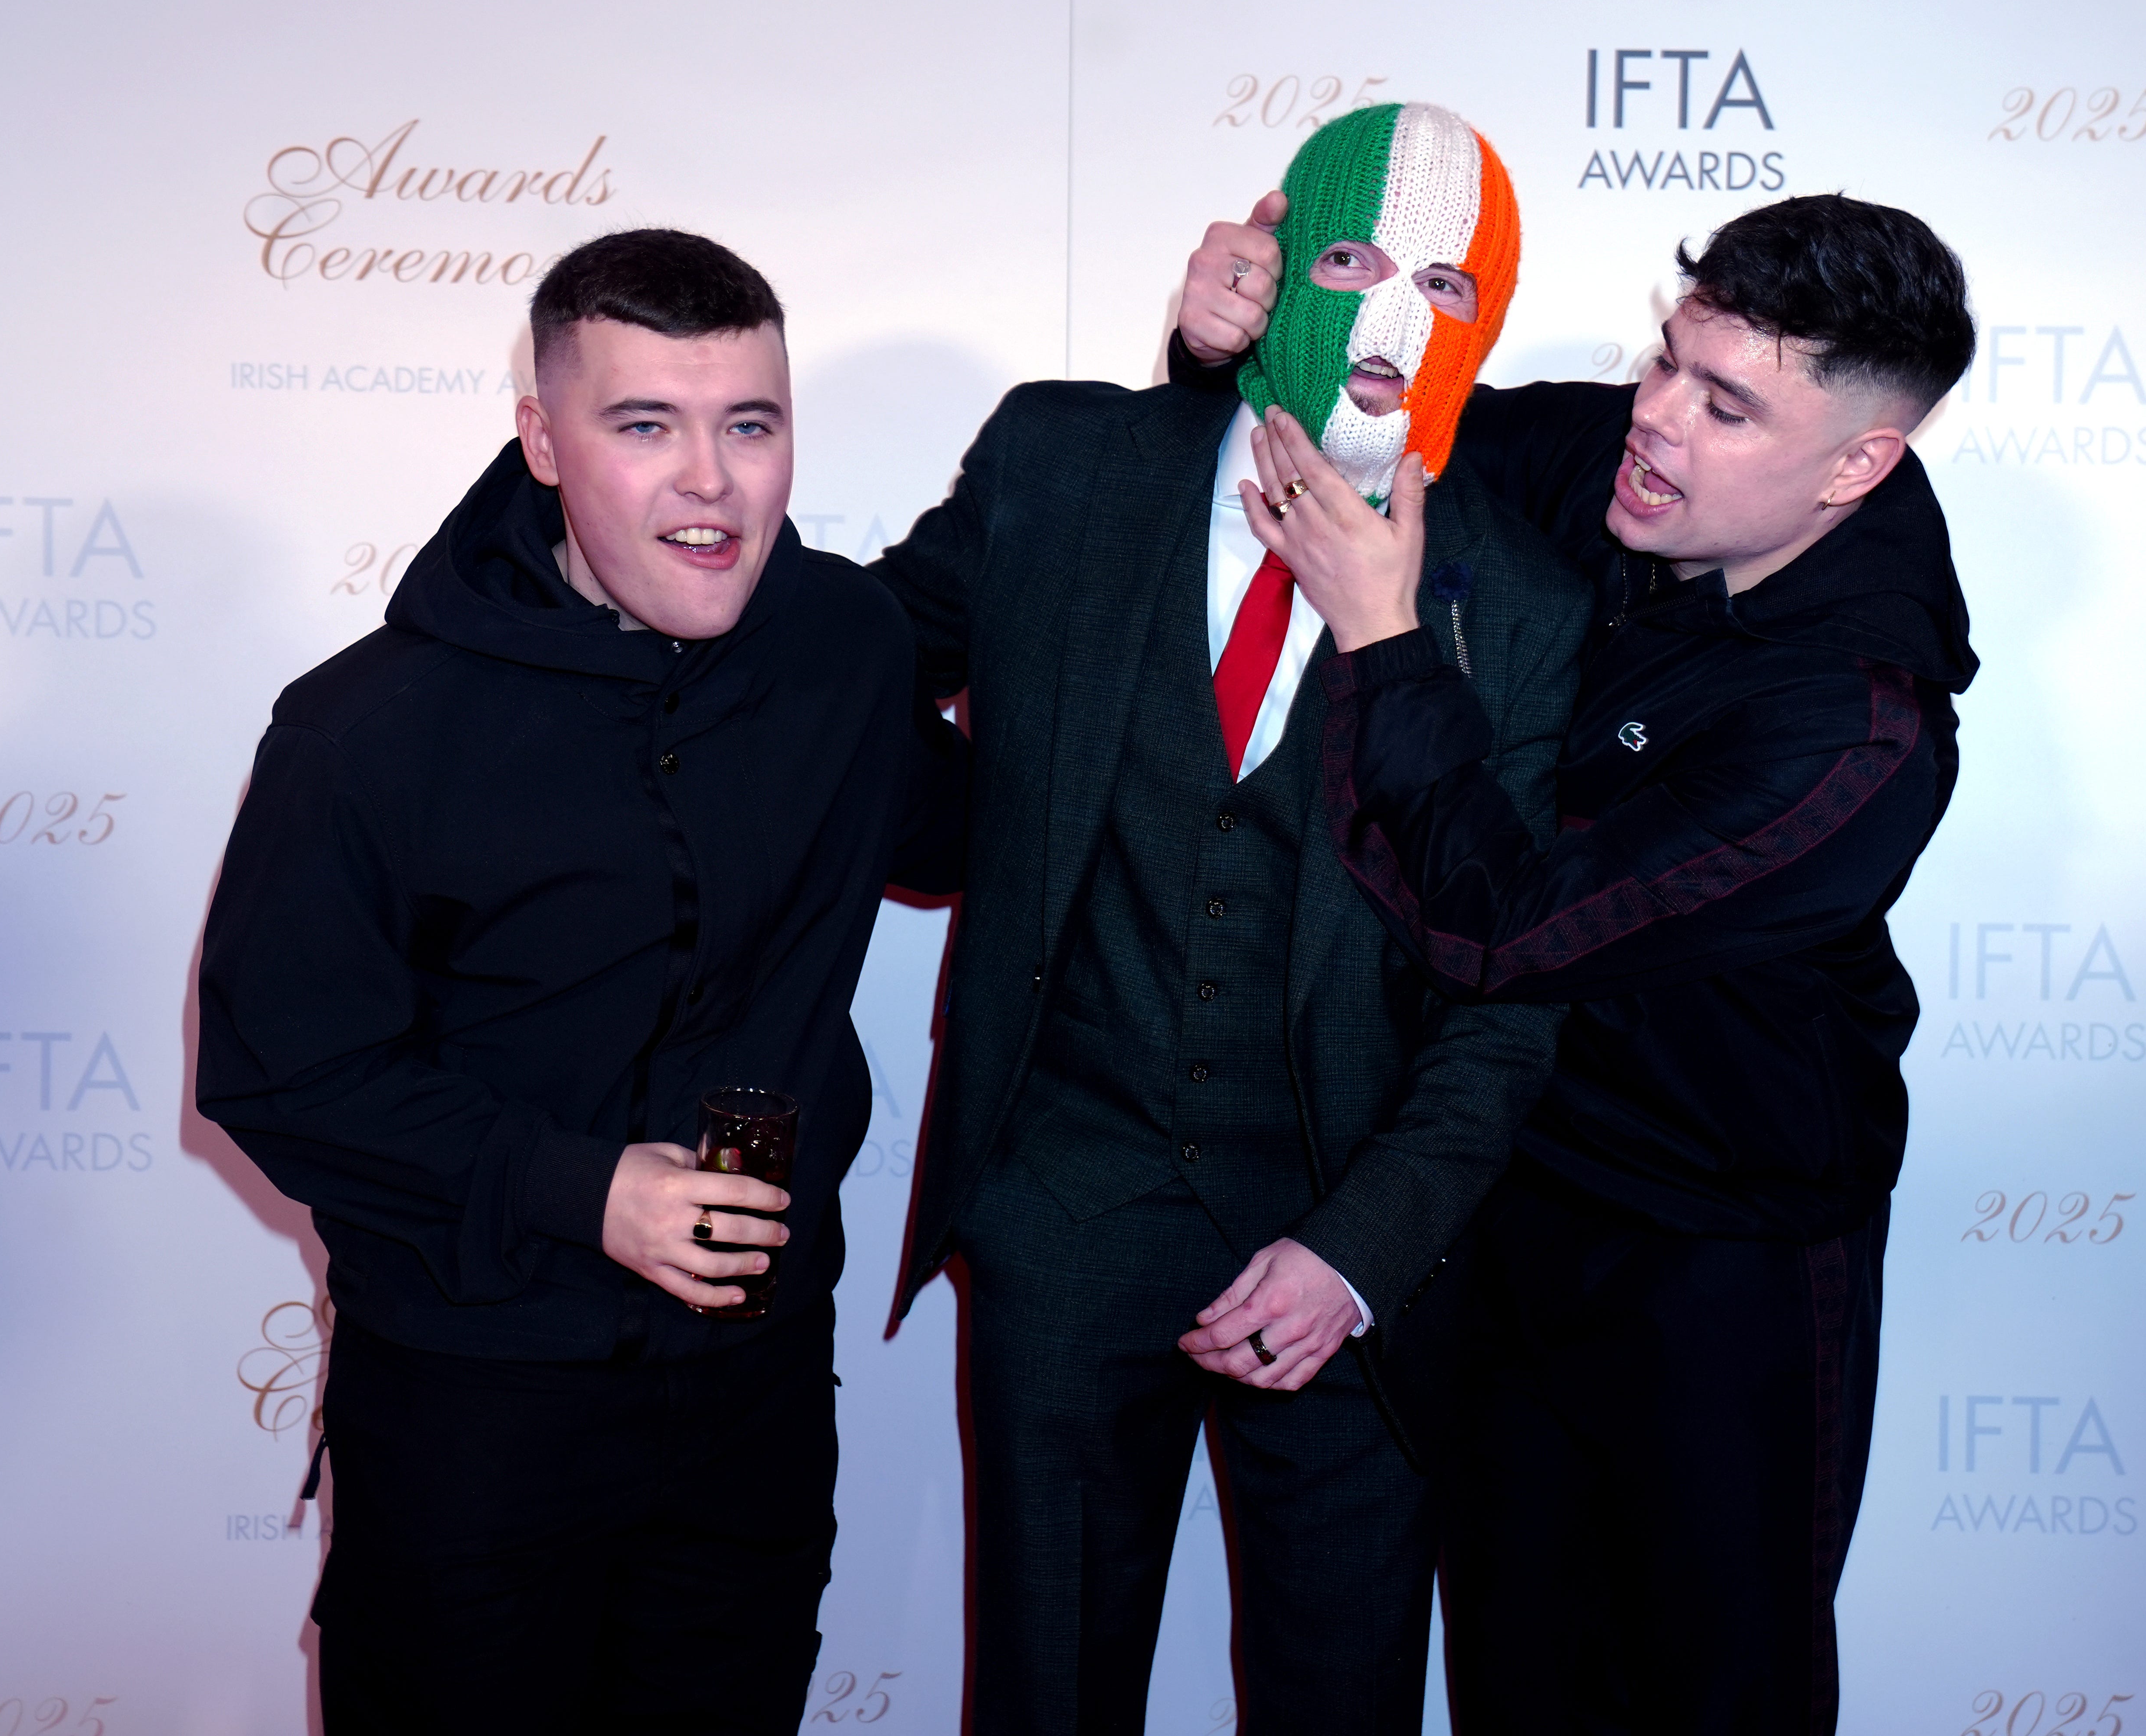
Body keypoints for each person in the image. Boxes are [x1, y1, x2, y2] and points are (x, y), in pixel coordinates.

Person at [1175, 193, 1979, 1730]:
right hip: (1511, 1206)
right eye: (1669, 362)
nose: (1655, 421)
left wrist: (1384, 643)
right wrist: (1239, 328)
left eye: (1725, 403)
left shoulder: (1856, 725)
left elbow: (1507, 928)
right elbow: (1368, 419)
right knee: (1514, 1678)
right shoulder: (1629, 459)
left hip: (1717, 1264)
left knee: (1705, 1690)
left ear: (1858, 466)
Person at [869, 103, 1583, 1733]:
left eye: (1453, 292)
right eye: (1354, 259)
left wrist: (1360, 1253)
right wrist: (975, 830)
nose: (1399, 324)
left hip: (1352, 1254)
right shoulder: (1065, 462)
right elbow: (848, 673)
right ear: (1273, 262)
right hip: (1065, 1215)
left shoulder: (1525, 605)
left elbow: (1514, 994)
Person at [196, 228, 965, 1735]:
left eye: (751, 425)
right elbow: (282, 1076)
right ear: (542, 439)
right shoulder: (366, 726)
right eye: (643, 426)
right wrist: (581, 1190)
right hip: (474, 1409)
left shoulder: (847, 654)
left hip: (751, 1400)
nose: (711, 483)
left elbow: (995, 830)